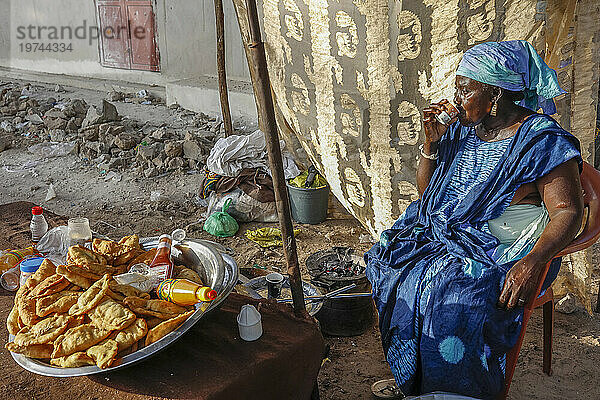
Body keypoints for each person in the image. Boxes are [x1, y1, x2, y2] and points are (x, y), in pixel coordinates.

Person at [365, 40, 584, 399]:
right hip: (448, 232)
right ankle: (417, 380)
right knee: (391, 262)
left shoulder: (541, 140)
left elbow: (568, 212)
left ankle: (456, 391)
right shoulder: (465, 129)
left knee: (453, 296)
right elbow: (428, 194)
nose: (455, 97)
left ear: (495, 93)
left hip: (507, 247)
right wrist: (430, 146)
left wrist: (533, 262)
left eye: (465, 89)